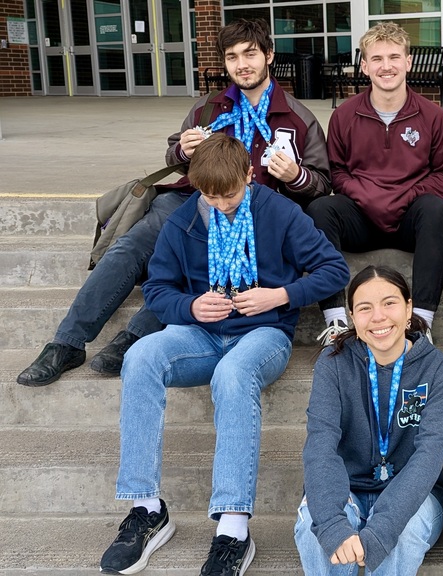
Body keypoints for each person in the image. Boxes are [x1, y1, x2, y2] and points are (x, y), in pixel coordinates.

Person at [17, 18, 331, 387]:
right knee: (132, 244)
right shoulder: (209, 108)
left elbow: (321, 182)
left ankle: (130, 339)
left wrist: (296, 176)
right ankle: (66, 342)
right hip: (192, 199)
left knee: (197, 268)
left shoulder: (297, 117)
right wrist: (182, 148)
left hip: (255, 211)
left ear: (269, 56)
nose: (242, 64)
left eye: (250, 54)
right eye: (233, 57)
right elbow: (173, 154)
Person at [97, 134, 348, 576]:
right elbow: (157, 290)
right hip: (199, 333)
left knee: (232, 375)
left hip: (264, 335)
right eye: (209, 195)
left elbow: (335, 270)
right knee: (140, 357)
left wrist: (280, 296)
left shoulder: (280, 212)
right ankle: (147, 509)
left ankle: (233, 529)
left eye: (229, 194)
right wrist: (189, 306)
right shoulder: (185, 221)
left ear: (250, 176)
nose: (221, 204)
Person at [293, 265, 443, 575]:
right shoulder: (334, 366)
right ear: (352, 317)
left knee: (403, 534)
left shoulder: (439, 369)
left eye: (389, 303)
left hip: (416, 495)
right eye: (365, 308)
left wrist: (381, 530)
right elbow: (320, 447)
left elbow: (429, 456)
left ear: (409, 308)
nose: (379, 317)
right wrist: (331, 524)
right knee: (314, 533)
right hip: (349, 489)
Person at [308, 22, 443, 345]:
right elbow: (336, 171)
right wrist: (367, 196)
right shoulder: (345, 115)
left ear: (408, 62)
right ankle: (335, 319)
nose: (386, 66)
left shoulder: (433, 116)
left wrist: (407, 196)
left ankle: (421, 321)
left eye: (394, 57)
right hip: (361, 217)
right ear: (364, 66)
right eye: (376, 59)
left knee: (435, 209)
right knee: (321, 208)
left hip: (409, 219)